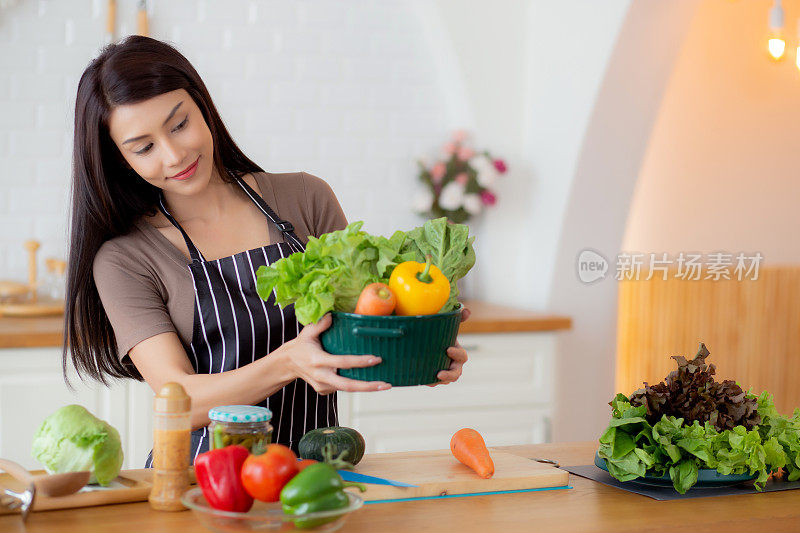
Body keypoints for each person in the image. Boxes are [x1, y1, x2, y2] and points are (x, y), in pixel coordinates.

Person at [64, 35, 469, 465]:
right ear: (120, 160)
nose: (174, 153)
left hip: (316, 475)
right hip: (199, 487)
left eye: (179, 124)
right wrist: (290, 362)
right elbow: (180, 400)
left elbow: (363, 322)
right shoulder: (126, 259)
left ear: (202, 105)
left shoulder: (306, 198)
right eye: (143, 148)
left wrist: (420, 347)